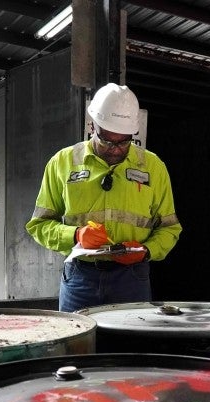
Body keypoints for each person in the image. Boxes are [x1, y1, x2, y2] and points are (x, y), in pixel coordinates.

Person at [26, 83, 182, 312]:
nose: (116, 149)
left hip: (132, 278)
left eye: (123, 141)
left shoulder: (154, 167)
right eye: (107, 140)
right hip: (80, 278)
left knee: (128, 348)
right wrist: (76, 235)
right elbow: (38, 225)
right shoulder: (62, 163)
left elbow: (170, 229)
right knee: (79, 346)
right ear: (92, 126)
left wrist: (145, 251)